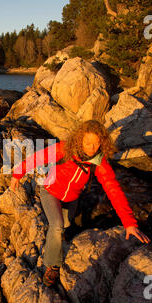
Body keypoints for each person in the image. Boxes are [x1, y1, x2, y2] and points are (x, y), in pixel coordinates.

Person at [10, 120, 150, 287]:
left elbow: (114, 190)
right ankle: (52, 266)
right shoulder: (65, 148)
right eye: (88, 142)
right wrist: (17, 173)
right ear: (79, 140)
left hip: (71, 198)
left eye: (97, 143)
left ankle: (57, 238)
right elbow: (39, 158)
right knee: (57, 225)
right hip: (50, 192)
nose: (92, 147)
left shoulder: (99, 162)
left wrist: (129, 223)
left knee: (65, 226)